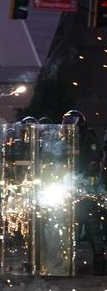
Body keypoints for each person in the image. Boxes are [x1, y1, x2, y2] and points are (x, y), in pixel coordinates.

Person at [62, 110, 106, 274]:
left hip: (86, 189)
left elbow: (95, 157)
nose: (67, 125)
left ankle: (99, 259)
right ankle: (65, 261)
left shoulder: (89, 139)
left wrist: (91, 167)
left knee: (93, 226)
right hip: (67, 188)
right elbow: (56, 159)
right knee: (67, 227)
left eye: (70, 121)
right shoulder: (62, 141)